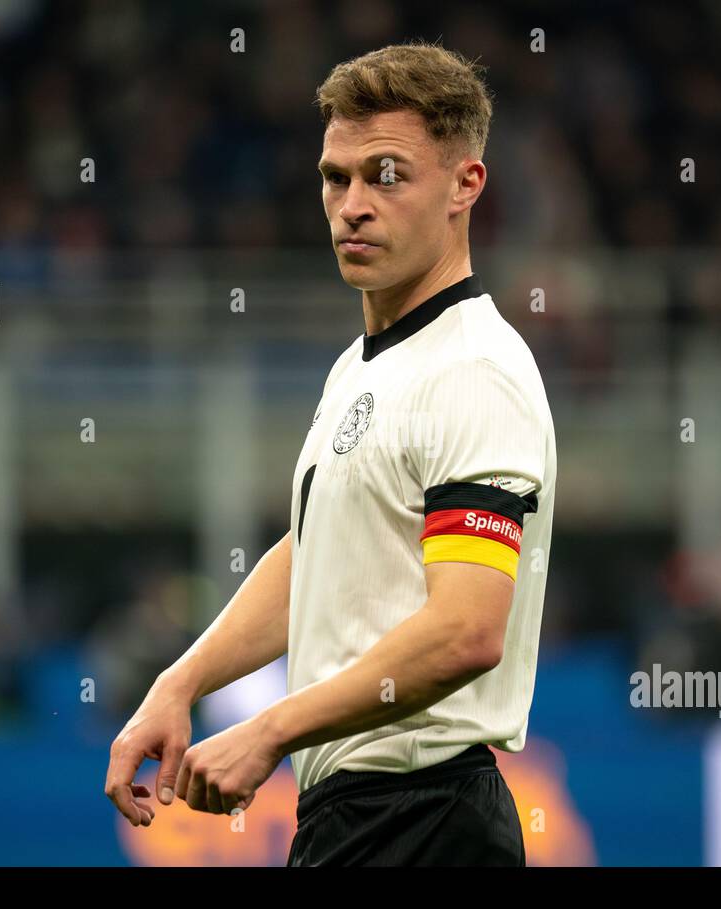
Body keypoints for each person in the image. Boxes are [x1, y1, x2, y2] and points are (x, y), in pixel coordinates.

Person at [105, 42, 557, 866]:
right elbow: (315, 557)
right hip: (357, 817)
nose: (351, 204)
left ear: (466, 185)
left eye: (385, 174)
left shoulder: (477, 371)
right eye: (334, 177)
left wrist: (270, 729)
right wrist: (180, 684)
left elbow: (465, 632)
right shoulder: (362, 367)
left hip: (426, 817)